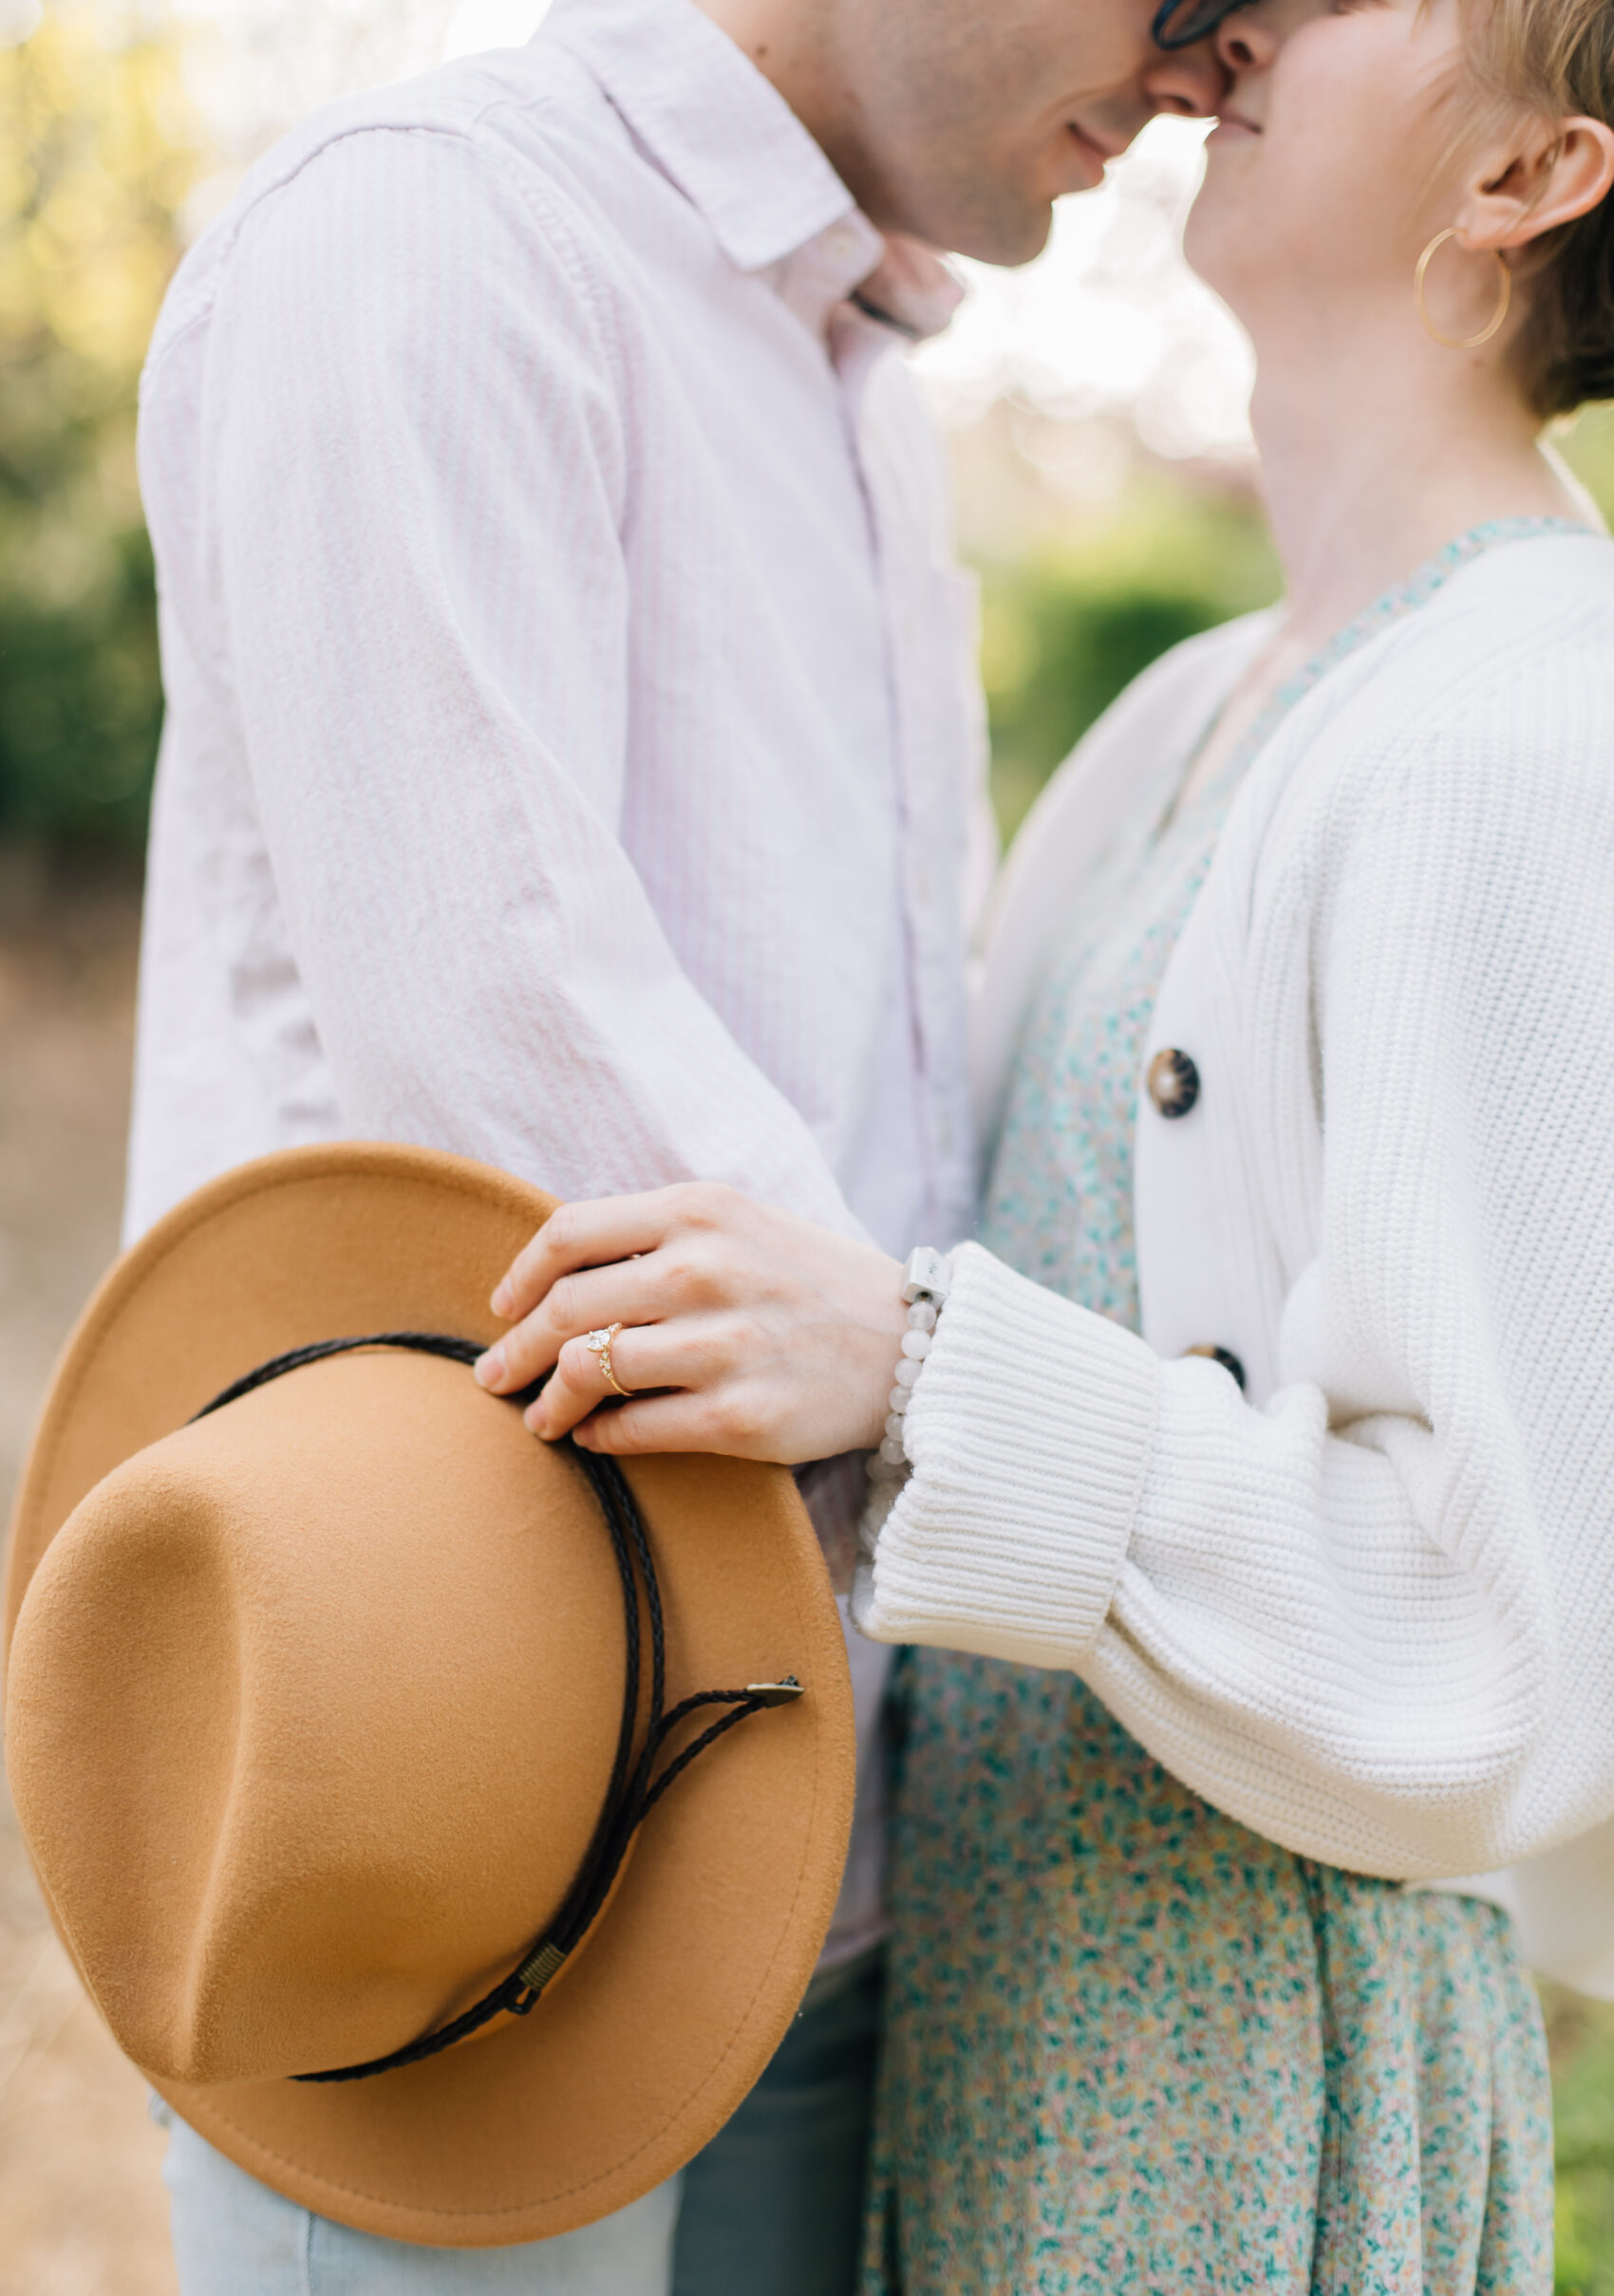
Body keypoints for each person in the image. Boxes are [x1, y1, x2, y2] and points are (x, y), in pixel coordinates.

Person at [477, 0, 1614, 2282]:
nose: (1244, 12)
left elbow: (1506, 1641)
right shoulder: (1196, 709)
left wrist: (915, 1366)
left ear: (1523, 179)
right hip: (1008, 2017)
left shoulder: (1531, 731)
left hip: (1231, 2086)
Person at [127, 0, 1231, 2287]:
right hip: (460, 1837)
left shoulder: (867, 385)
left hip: (808, 1821)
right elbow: (518, 1074)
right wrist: (1107, 1490)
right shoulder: (447, 240)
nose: (1216, 64)